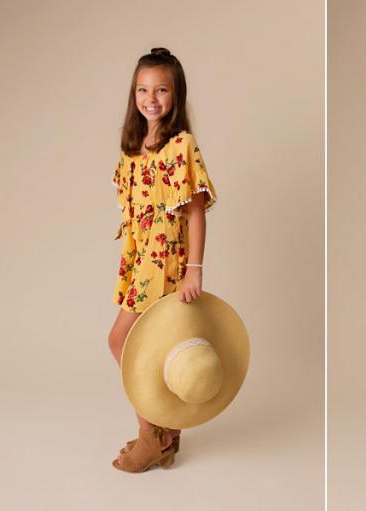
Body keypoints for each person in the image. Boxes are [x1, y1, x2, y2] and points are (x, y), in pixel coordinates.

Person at [108, 47, 217, 471]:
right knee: (148, 347)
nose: (151, 98)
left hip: (168, 264)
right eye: (143, 89)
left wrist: (195, 269)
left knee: (124, 342)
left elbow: (194, 210)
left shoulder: (180, 146)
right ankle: (164, 433)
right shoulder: (133, 151)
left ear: (176, 95)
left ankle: (151, 436)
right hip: (140, 265)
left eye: (161, 90)